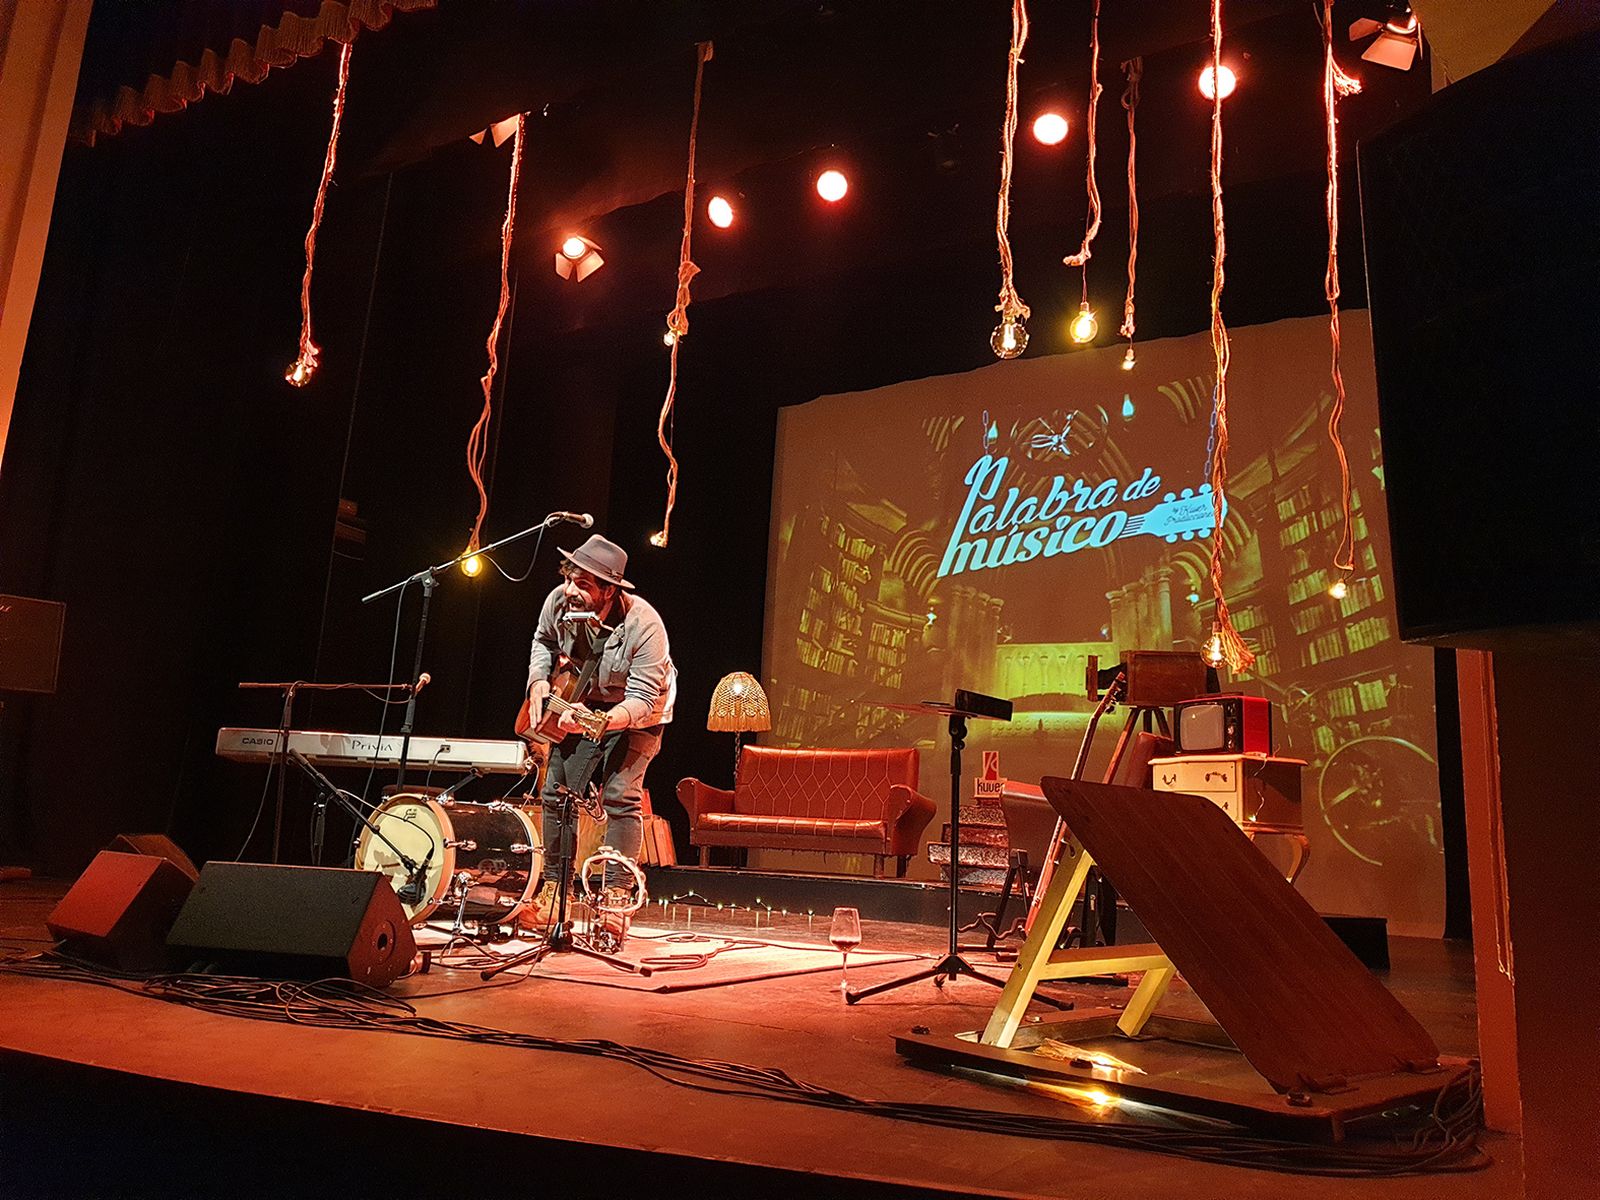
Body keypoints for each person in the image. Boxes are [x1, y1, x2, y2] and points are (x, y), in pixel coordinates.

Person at [524, 534, 675, 922]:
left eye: (584, 584)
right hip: (585, 697)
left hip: (639, 712)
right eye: (570, 578)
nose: (571, 590)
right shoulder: (559, 601)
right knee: (557, 792)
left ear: (609, 590)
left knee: (621, 796)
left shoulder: (646, 625)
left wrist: (603, 723)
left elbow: (641, 699)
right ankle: (555, 891)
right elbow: (542, 640)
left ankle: (615, 898)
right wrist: (539, 680)